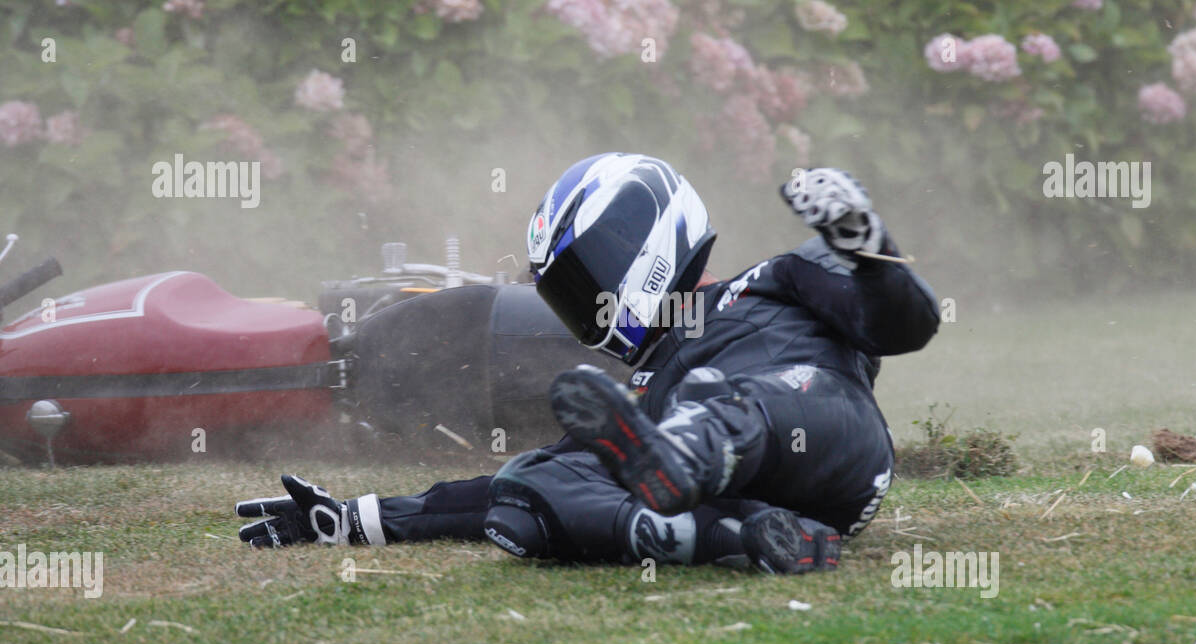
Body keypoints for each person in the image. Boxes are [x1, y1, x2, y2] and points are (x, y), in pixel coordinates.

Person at [237, 154, 939, 574]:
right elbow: (490, 493)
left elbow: (905, 325)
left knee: (720, 399)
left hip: (829, 431)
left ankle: (680, 494)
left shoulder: (778, 278)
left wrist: (864, 244)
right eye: (569, 297)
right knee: (527, 483)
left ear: (644, 236)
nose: (585, 311)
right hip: (774, 509)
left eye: (585, 282)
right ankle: (728, 536)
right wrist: (354, 519)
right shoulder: (638, 387)